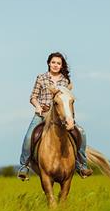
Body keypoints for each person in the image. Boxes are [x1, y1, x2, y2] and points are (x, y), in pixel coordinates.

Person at [17, 52, 93, 181]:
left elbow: (66, 99)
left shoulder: (65, 81)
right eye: (53, 62)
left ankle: (81, 164)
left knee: (81, 132)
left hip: (60, 115)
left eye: (58, 63)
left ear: (61, 65)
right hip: (43, 113)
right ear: (48, 63)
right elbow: (33, 97)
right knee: (29, 136)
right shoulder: (41, 78)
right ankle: (24, 166)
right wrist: (38, 106)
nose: (55, 65)